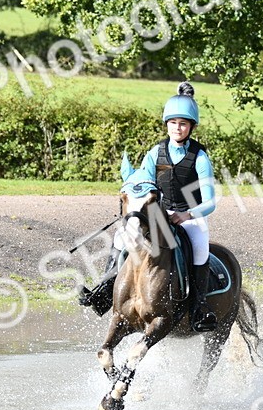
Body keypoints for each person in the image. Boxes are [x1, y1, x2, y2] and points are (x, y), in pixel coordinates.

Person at [79, 81, 219, 332]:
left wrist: (187, 213)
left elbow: (210, 202)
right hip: (158, 215)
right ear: (167, 124)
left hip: (189, 217)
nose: (178, 128)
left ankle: (200, 306)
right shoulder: (155, 152)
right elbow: (143, 183)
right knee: (122, 237)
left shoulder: (199, 157)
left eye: (183, 123)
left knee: (199, 246)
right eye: (173, 123)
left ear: (191, 127)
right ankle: (104, 290)